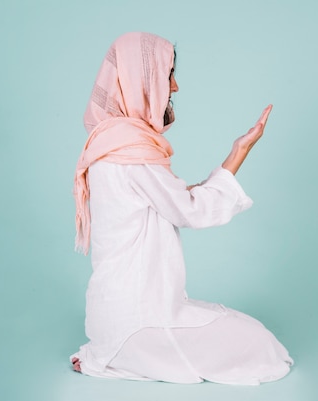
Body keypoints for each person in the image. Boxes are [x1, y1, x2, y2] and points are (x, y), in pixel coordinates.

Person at [70, 32, 293, 385]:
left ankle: (108, 353)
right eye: (167, 73)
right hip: (138, 322)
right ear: (139, 81)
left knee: (238, 329)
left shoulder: (108, 145)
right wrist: (240, 152)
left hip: (114, 318)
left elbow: (173, 199)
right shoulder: (132, 154)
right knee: (262, 345)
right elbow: (189, 210)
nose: (174, 86)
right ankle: (115, 356)